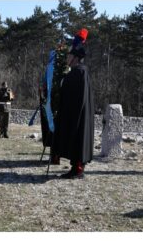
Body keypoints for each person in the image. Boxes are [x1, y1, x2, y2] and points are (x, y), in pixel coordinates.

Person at [51, 28, 94, 179]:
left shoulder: (79, 72)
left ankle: (78, 168)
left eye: (69, 55)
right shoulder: (76, 71)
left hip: (77, 115)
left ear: (75, 57)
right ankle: (75, 167)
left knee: (77, 140)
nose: (66, 58)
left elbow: (77, 97)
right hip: (73, 113)